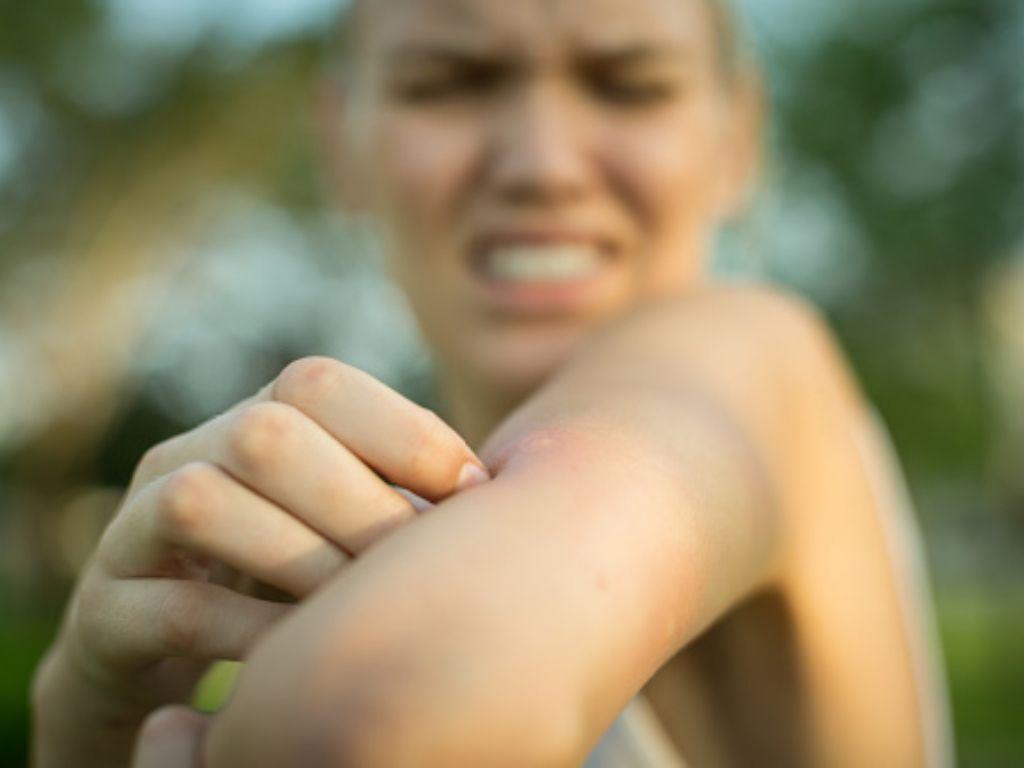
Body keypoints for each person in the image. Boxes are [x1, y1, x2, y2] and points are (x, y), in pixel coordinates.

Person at [32, 0, 954, 765]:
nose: (543, 164)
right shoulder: (337, 520)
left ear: (736, 140)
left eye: (629, 84)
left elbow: (372, 714)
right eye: (450, 83)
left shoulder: (759, 360)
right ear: (342, 146)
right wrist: (90, 718)